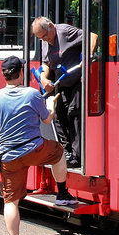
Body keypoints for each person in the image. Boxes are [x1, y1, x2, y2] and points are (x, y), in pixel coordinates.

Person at [0, 55, 76, 235]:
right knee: (58, 152)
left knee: (10, 201)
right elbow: (47, 120)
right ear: (21, 73)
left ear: (3, 74)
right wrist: (51, 104)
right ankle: (62, 194)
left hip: (9, 157)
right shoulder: (33, 95)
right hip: (35, 149)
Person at [31, 15, 94, 167]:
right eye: (41, 38)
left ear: (51, 26)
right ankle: (65, 151)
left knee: (74, 114)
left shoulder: (65, 31)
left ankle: (77, 156)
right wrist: (44, 79)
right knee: (59, 116)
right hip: (61, 83)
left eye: (45, 35)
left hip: (75, 81)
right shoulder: (45, 41)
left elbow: (92, 36)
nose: (45, 40)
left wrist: (88, 58)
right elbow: (46, 63)